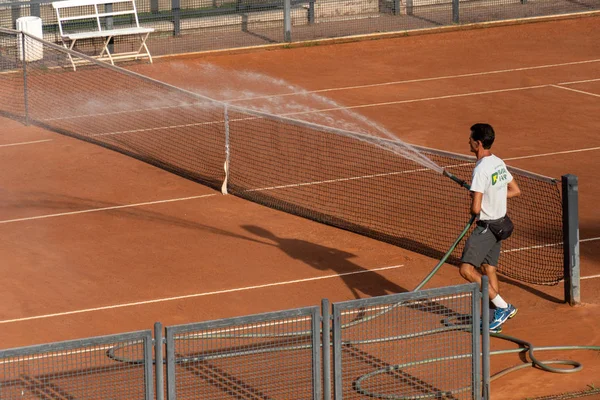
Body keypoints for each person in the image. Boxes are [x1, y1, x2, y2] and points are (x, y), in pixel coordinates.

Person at [459, 123, 521, 332]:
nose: (468, 141)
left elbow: (475, 209)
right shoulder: (497, 162)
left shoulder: (480, 169)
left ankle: (503, 308)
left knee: (466, 269)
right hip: (500, 225)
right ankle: (494, 320)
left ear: (477, 143)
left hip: (486, 229)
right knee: (488, 269)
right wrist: (491, 195)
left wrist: (477, 200)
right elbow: (515, 190)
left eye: (470, 139)